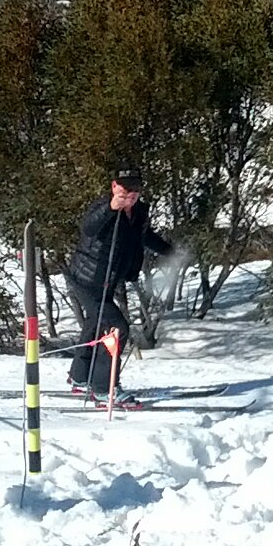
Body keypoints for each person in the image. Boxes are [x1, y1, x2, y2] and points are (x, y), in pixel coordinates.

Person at [64, 169, 171, 395]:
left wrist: (171, 252)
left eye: (135, 189)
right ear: (114, 187)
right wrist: (111, 208)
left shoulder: (139, 212)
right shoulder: (103, 208)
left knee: (95, 325)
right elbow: (89, 228)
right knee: (117, 328)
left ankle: (79, 377)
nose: (130, 194)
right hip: (87, 280)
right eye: (125, 188)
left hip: (108, 281)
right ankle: (104, 389)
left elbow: (142, 236)